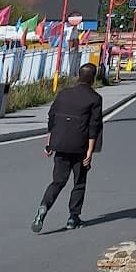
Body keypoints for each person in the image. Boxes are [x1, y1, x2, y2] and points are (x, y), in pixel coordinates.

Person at [32, 62, 103, 232]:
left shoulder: (63, 94)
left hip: (60, 144)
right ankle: (73, 217)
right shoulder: (95, 98)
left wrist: (49, 142)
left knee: (58, 181)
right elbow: (94, 127)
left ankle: (43, 208)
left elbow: (52, 118)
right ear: (93, 79)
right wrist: (90, 151)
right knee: (79, 183)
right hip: (80, 146)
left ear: (78, 76)